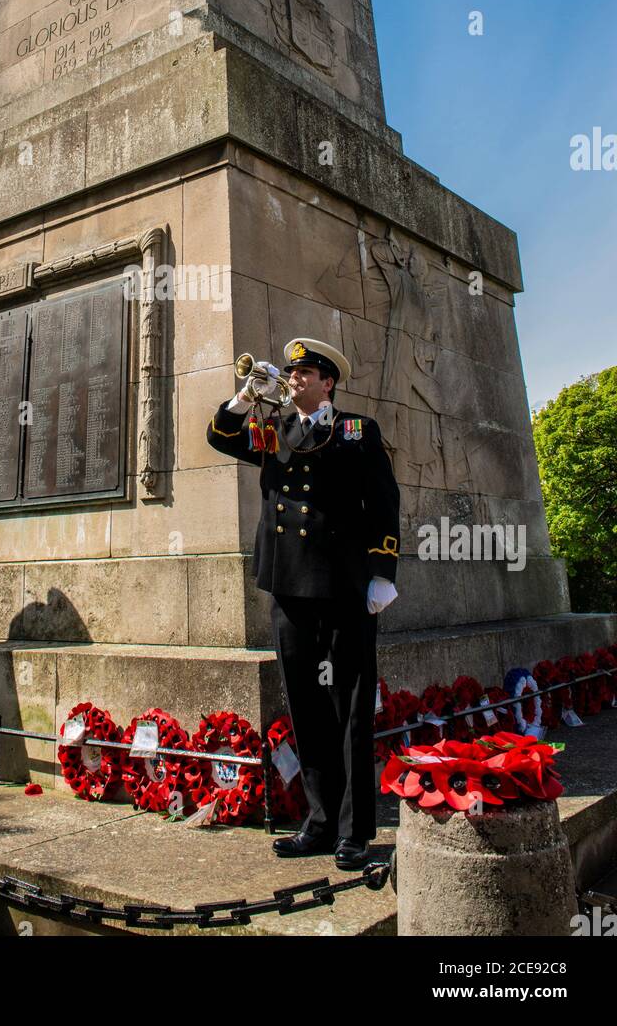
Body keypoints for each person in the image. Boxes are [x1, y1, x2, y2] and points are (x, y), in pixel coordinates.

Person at [206, 338, 400, 867]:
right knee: (306, 707)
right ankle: (316, 823)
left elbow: (384, 502)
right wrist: (244, 398)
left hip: (344, 588)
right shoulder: (275, 430)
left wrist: (383, 573)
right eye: (291, 374)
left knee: (351, 708)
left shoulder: (357, 430)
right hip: (288, 586)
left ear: (328, 382)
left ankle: (354, 831)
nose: (294, 380)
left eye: (306, 373)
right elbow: (220, 438)